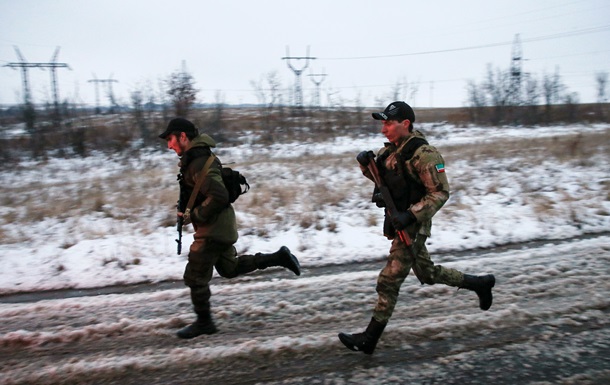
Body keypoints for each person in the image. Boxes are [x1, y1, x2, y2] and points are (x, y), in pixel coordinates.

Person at [338, 101, 495, 355]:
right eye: (383, 124)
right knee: (427, 273)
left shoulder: (424, 155)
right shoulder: (390, 152)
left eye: (388, 123)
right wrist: (366, 165)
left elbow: (441, 192)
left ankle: (369, 339)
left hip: (412, 225)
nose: (383, 130)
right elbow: (383, 179)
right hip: (398, 219)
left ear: (405, 124)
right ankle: (480, 284)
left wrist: (411, 216)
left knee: (388, 280)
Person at [160, 117, 301, 339]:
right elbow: (204, 193)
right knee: (230, 268)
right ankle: (279, 257)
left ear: (183, 137)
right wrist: (188, 211)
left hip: (212, 230)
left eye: (171, 139)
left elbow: (218, 195)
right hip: (220, 226)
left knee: (195, 276)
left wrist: (194, 214)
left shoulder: (197, 162)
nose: (169, 145)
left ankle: (204, 323)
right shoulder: (195, 159)